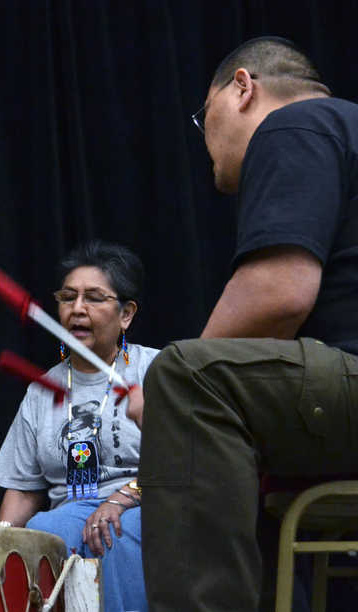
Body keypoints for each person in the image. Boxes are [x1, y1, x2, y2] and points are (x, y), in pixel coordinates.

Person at [127, 37, 358, 611]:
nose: (204, 142)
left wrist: (165, 393)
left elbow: (279, 293)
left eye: (203, 119)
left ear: (243, 88)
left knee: (184, 375)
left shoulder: (297, 124)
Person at [0, 240, 157, 612]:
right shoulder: (40, 391)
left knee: (112, 533)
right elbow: (23, 489)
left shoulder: (156, 371)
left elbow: (185, 460)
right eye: (68, 297)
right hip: (69, 512)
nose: (77, 308)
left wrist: (117, 501)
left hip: (146, 502)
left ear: (126, 314)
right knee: (45, 533)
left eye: (94, 298)